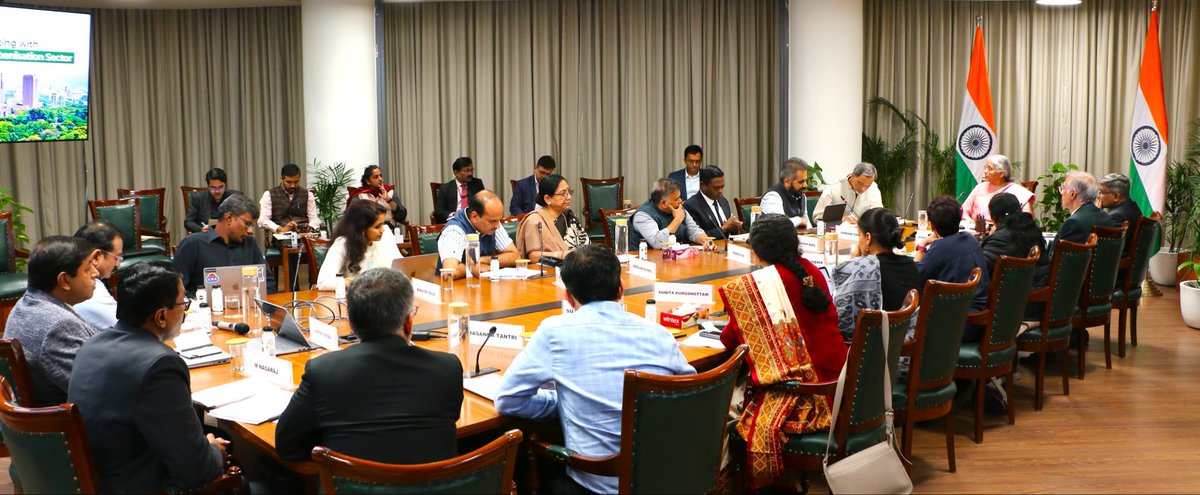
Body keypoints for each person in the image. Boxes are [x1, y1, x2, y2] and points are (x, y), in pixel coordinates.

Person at [495, 245, 695, 494]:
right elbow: (691, 395)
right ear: (621, 289)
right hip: (666, 473)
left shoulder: (554, 332)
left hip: (597, 482)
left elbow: (507, 400)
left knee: (526, 461)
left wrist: (560, 404)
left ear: (568, 297)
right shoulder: (660, 334)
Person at [68, 262, 228, 493]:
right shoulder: (160, 365)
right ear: (161, 316)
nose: (185, 309)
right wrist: (213, 450)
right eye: (183, 303)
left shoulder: (92, 344)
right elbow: (197, 471)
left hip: (99, 476)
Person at [277, 268, 463, 464]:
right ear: (409, 322)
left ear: (351, 324)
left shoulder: (323, 372)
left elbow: (288, 446)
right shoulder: (448, 369)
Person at [717, 213, 841, 488]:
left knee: (724, 409)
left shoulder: (759, 286)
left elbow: (730, 342)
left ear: (756, 250)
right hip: (840, 386)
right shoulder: (811, 270)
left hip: (809, 397)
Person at [4, 236, 99, 406]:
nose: (95, 273)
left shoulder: (26, 303)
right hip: (76, 425)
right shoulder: (59, 326)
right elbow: (95, 389)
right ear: (64, 280)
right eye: (87, 269)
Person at [832, 208, 921, 342]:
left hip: (873, 353)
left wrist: (854, 263)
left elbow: (842, 324)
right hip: (904, 349)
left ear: (868, 238)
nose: (859, 241)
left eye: (859, 236)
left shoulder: (860, 269)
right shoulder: (911, 265)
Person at [914, 196, 991, 341]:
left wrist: (922, 245)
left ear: (932, 226)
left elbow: (914, 277)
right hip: (979, 318)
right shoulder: (971, 239)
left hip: (958, 325)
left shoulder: (940, 248)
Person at [173, 193, 275, 297]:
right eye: (247, 224)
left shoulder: (250, 243)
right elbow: (175, 289)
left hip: (247, 309)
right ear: (229, 218)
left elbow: (268, 282)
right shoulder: (192, 244)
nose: (250, 231)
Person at [315, 200, 402, 291]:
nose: (382, 230)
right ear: (361, 229)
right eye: (377, 226)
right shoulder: (343, 244)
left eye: (383, 224)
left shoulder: (386, 238)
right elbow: (323, 282)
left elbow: (401, 269)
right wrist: (353, 283)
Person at [437, 190, 518, 278]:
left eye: (499, 220)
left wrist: (482, 261)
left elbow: (515, 256)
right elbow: (450, 272)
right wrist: (473, 267)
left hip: (481, 285)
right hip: (455, 288)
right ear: (475, 217)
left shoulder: (493, 223)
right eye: (493, 221)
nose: (497, 226)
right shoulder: (454, 230)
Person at [515, 174, 589, 263]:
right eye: (563, 194)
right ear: (547, 199)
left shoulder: (568, 216)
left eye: (569, 192)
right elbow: (534, 256)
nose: (569, 197)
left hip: (577, 267)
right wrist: (561, 255)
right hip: (549, 270)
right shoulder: (535, 220)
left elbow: (586, 245)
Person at [981, 193, 1050, 287]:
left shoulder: (1000, 239)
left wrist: (992, 235)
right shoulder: (1032, 228)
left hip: (1014, 295)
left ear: (993, 217)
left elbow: (982, 268)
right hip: (1037, 286)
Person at [629, 179, 711, 249]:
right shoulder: (642, 215)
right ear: (664, 203)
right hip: (644, 261)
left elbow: (694, 231)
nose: (680, 201)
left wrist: (706, 241)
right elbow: (657, 243)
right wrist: (677, 220)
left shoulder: (678, 208)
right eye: (676, 199)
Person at [72, 220, 123, 330]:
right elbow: (126, 329)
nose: (118, 263)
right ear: (96, 256)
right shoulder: (88, 287)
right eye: (116, 257)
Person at [960, 154, 1035, 222]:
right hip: (975, 229)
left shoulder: (1018, 191)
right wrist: (970, 221)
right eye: (985, 168)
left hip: (1003, 232)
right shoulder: (980, 187)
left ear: (1002, 173)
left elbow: (1027, 218)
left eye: (990, 169)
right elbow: (964, 211)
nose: (985, 171)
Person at [1054, 170, 1115, 246]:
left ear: (1072, 194)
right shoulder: (1106, 217)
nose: (1062, 192)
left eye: (1063, 188)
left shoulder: (1073, 223)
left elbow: (1059, 256)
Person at [812, 162, 885, 224]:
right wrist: (841, 220)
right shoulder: (833, 189)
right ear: (852, 175)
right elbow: (817, 217)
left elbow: (877, 215)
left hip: (862, 234)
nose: (863, 188)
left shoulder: (873, 188)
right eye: (860, 183)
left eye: (868, 185)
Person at [257, 163, 321, 234]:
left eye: (296, 182)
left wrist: (309, 228)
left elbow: (314, 219)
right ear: (282, 179)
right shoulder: (269, 195)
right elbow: (262, 220)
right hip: (282, 236)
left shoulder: (308, 195)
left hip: (304, 234)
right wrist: (279, 228)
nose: (293, 185)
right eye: (289, 182)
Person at [684, 165, 742, 239]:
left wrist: (735, 226)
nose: (721, 191)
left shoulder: (723, 201)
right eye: (716, 188)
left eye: (722, 187)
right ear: (702, 185)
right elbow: (697, 236)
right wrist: (724, 228)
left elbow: (729, 233)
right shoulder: (691, 206)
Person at [185, 167, 242, 233]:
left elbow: (242, 219)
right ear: (208, 186)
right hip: (206, 237)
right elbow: (188, 222)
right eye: (213, 188)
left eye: (220, 187)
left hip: (229, 236)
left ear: (226, 186)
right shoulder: (198, 198)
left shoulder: (235, 197)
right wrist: (201, 229)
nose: (217, 191)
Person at [760, 157, 812, 229]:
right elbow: (780, 224)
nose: (805, 185)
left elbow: (806, 223)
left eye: (805, 181)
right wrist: (799, 220)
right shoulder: (772, 196)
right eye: (801, 182)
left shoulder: (801, 196)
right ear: (787, 182)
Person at [434, 156, 486, 223]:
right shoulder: (445, 188)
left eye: (471, 170)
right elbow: (439, 212)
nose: (470, 173)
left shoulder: (477, 184)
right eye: (466, 171)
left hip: (473, 221)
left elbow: (484, 204)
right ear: (456, 173)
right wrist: (453, 215)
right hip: (454, 221)